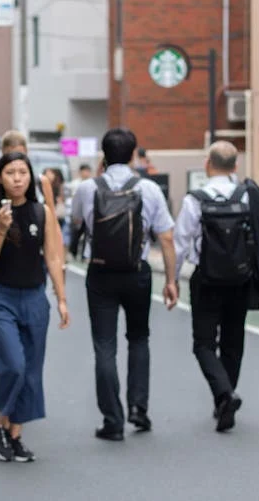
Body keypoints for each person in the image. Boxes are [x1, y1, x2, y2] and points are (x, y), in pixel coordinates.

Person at [71, 128, 178, 442]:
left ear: (104, 155)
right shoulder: (149, 189)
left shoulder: (87, 188)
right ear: (134, 155)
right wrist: (170, 280)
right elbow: (167, 237)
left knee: (104, 346)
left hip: (101, 273)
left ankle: (112, 420)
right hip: (137, 272)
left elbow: (77, 222)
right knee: (139, 338)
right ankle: (138, 409)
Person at [0, 152, 70, 462]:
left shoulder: (41, 212)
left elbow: (54, 257)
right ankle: (0, 423)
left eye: (23, 172)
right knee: (13, 364)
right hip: (0, 297)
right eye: (10, 172)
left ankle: (13, 434)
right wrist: (2, 228)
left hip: (34, 297)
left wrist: (61, 298)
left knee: (31, 371)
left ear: (30, 177)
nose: (17, 178)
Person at [173, 141, 252, 433]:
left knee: (204, 343)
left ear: (208, 164)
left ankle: (224, 395)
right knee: (233, 340)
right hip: (240, 279)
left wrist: (172, 278)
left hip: (206, 278)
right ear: (235, 167)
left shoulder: (196, 199)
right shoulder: (247, 197)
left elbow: (181, 242)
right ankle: (225, 397)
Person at [0, 130, 56, 213]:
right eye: (10, 156)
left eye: (20, 155)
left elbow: (52, 218)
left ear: (26, 152)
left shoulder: (41, 182)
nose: (15, 160)